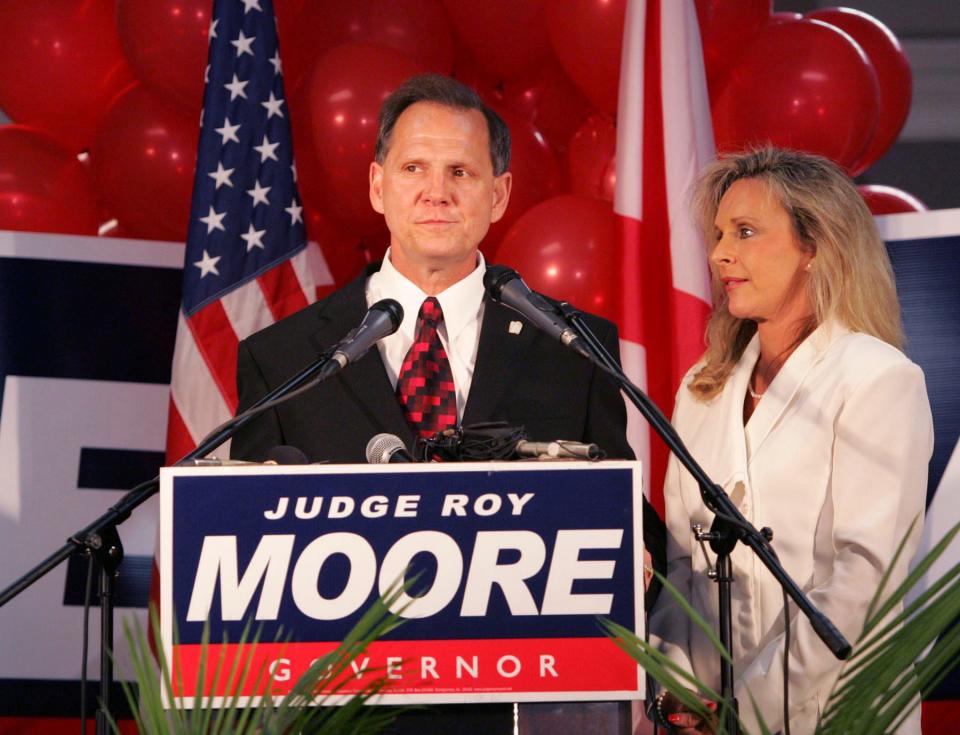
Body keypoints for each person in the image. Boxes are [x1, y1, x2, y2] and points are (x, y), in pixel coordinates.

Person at [231, 73, 666, 733]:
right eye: (414, 168)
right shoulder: (284, 358)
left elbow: (630, 531)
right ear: (379, 184)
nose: (436, 191)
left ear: (499, 194)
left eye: (461, 171)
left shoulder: (573, 347)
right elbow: (251, 566)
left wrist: (638, 561)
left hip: (521, 713)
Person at [647, 147, 933, 734]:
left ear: (815, 247)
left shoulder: (877, 378)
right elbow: (683, 563)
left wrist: (746, 711)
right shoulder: (702, 387)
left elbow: (866, 580)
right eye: (721, 232)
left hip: (836, 718)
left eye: (746, 232)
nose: (720, 252)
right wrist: (685, 692)